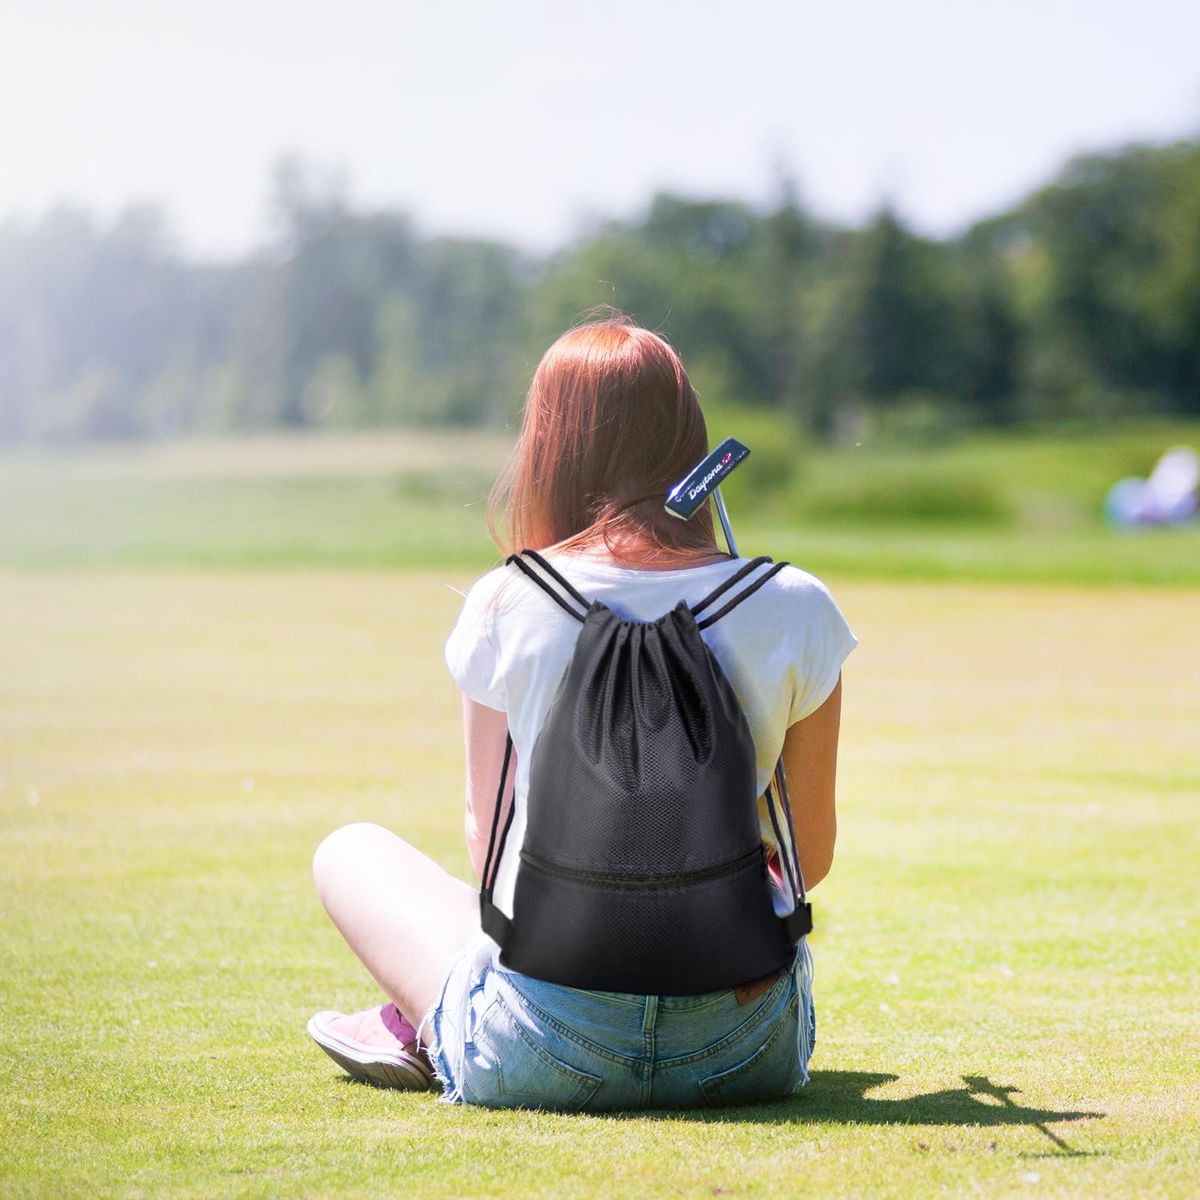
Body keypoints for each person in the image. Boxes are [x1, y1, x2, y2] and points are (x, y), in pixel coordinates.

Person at [308, 314, 858, 1110]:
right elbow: (810, 858)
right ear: (691, 439)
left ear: (550, 447)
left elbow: (490, 854)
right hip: (745, 1053)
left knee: (349, 850)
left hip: (540, 1047)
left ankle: (426, 1020)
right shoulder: (797, 604)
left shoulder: (508, 600)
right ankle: (424, 1018)